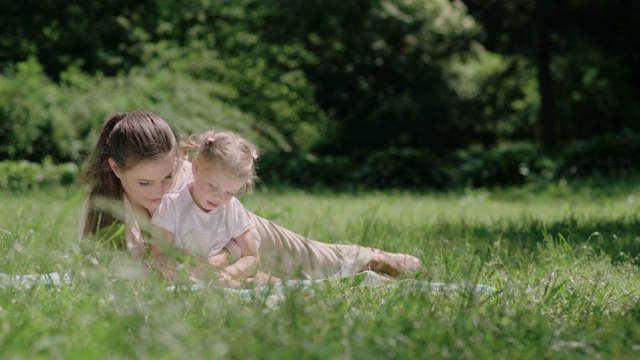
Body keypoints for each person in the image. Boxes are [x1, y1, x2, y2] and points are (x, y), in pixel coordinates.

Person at [80, 111, 422, 284]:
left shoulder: (187, 176)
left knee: (309, 259)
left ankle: (369, 257)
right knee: (281, 286)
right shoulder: (103, 212)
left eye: (166, 177)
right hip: (200, 267)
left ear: (180, 163)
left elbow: (236, 235)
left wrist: (225, 259)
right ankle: (361, 279)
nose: (158, 192)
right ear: (115, 168)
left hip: (232, 240)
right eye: (144, 183)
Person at [150, 131, 269, 287]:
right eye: (213, 186)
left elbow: (252, 258)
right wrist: (191, 273)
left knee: (264, 280)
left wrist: (228, 274)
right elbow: (158, 255)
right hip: (184, 274)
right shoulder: (172, 205)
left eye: (230, 192)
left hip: (221, 274)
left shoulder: (232, 207)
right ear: (196, 167)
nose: (219, 197)